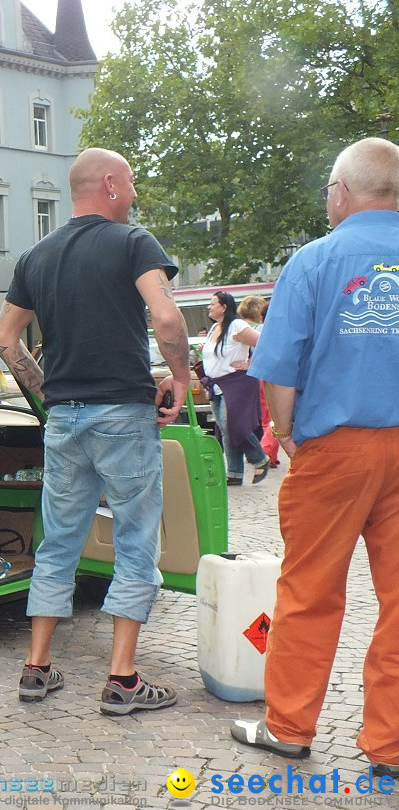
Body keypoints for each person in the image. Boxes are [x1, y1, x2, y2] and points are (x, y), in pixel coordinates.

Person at [0, 147, 190, 716]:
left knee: (58, 542)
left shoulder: (36, 256)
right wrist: (179, 377)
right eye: (129, 184)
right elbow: (169, 317)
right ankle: (121, 678)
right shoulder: (134, 243)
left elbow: (5, 338)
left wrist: (47, 390)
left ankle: (37, 667)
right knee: (134, 539)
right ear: (109, 185)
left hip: (65, 417)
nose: (133, 195)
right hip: (123, 417)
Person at [230, 137, 399, 779]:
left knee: (309, 591)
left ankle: (289, 728)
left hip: (336, 450)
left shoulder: (316, 260)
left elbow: (278, 365)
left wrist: (286, 429)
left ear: (341, 193)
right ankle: (390, 742)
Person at [201, 291, 269, 485]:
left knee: (233, 425)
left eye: (212, 303)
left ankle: (260, 459)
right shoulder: (215, 327)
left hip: (237, 382)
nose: (209, 307)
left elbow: (263, 343)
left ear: (224, 307)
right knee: (225, 428)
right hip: (216, 384)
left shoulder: (236, 326)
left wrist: (251, 363)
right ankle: (234, 472)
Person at [234, 295, 278, 467]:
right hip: (271, 375)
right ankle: (266, 450)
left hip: (254, 376)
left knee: (265, 419)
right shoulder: (269, 330)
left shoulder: (249, 329)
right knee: (276, 418)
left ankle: (271, 455)